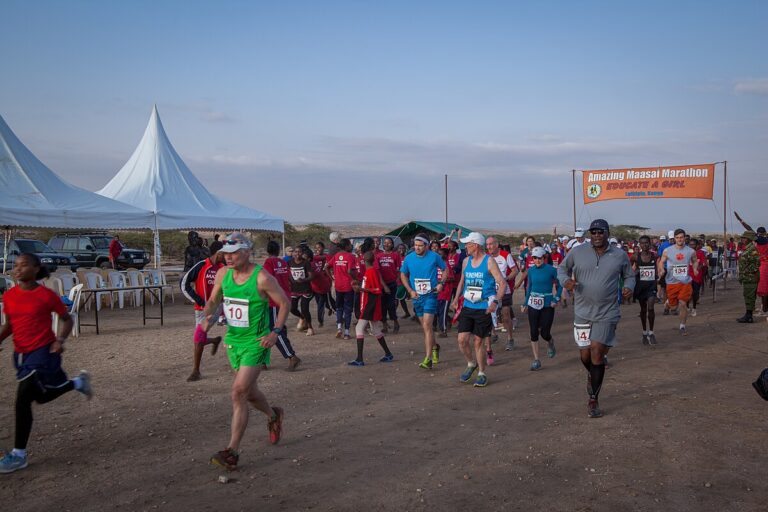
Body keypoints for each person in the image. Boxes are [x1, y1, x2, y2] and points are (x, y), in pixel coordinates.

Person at [200, 233, 287, 471]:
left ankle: (232, 452)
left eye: (233, 253)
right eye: (225, 253)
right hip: (233, 341)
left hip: (256, 343)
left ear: (247, 252)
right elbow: (213, 300)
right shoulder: (222, 274)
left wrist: (275, 332)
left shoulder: (261, 278)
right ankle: (273, 415)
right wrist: (208, 316)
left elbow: (285, 302)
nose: (228, 258)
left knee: (238, 392)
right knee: (249, 393)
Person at [0, 253, 92, 473]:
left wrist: (60, 340)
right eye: (16, 266)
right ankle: (77, 383)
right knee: (40, 397)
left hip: (44, 352)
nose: (18, 269)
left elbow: (67, 319)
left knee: (22, 398)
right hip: (21, 354)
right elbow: (10, 324)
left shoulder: (46, 295)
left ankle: (18, 454)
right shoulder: (10, 296)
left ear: (35, 269)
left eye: (24, 265)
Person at [558, 219, 635, 418]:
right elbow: (561, 268)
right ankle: (592, 374)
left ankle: (593, 399)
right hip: (582, 311)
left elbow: (629, 275)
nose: (597, 235)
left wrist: (629, 287)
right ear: (590, 234)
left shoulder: (619, 255)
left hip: (607, 312)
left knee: (597, 352)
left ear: (607, 233)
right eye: (594, 232)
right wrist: (566, 281)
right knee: (585, 356)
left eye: (601, 232)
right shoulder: (578, 251)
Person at [452, 232, 506, 387]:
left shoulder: (489, 262)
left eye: (467, 244)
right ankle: (471, 364)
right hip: (468, 305)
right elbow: (462, 282)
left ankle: (482, 373)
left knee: (478, 341)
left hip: (484, 307)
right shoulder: (466, 261)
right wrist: (456, 299)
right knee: (462, 340)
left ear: (475, 245)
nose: (465, 247)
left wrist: (495, 302)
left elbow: (502, 283)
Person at [399, 233, 447, 369]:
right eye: (415, 245)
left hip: (430, 295)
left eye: (420, 246)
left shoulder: (434, 256)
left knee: (427, 325)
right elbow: (403, 274)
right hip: (416, 297)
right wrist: (410, 290)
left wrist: (441, 283)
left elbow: (445, 270)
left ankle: (428, 359)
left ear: (427, 246)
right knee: (426, 328)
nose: (417, 248)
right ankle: (435, 347)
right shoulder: (409, 258)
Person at [181, 245, 224, 381]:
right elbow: (184, 284)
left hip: (216, 308)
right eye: (225, 253)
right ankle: (214, 340)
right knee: (199, 337)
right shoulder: (202, 265)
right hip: (201, 309)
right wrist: (199, 300)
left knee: (199, 337)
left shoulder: (223, 268)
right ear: (218, 253)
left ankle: (195, 371)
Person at [348, 251, 394, 366]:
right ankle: (388, 354)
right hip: (369, 303)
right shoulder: (369, 271)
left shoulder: (371, 271)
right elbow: (370, 287)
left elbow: (377, 290)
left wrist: (361, 289)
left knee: (359, 328)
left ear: (364, 259)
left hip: (370, 304)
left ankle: (359, 359)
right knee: (375, 330)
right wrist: (359, 285)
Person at [262, 240, 302, 370]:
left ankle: (291, 356)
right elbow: (289, 279)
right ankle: (261, 360)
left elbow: (266, 280)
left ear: (268, 251)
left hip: (274, 300)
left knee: (275, 330)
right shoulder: (283, 262)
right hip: (284, 299)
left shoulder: (269, 262)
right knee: (276, 329)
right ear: (278, 250)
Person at [523, 246, 562, 370]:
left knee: (545, 333)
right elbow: (529, 287)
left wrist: (556, 298)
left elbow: (560, 284)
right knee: (533, 331)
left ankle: (550, 342)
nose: (537, 260)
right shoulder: (531, 270)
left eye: (539, 258)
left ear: (544, 258)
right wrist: (525, 303)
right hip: (533, 302)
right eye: (534, 258)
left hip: (547, 304)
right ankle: (536, 359)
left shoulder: (551, 270)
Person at [658, 229, 699, 335]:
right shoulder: (667, 250)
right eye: (677, 237)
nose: (680, 239)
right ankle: (668, 303)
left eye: (681, 237)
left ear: (685, 238)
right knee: (674, 307)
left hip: (685, 282)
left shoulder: (690, 251)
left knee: (683, 303)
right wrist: (661, 269)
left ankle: (682, 327)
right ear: (674, 238)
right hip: (671, 282)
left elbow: (694, 260)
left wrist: (695, 269)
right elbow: (661, 262)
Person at [486, 236, 518, 353]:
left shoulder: (505, 255)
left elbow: (515, 270)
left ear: (496, 244)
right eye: (487, 244)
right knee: (488, 314)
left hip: (505, 290)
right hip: (490, 291)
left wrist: (506, 278)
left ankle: (510, 339)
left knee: (505, 315)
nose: (488, 247)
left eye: (491, 244)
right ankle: (494, 334)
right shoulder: (486, 257)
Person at [631, 235, 658, 345]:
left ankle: (651, 333)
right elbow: (629, 266)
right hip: (641, 286)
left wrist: (659, 274)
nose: (644, 245)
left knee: (650, 308)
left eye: (646, 243)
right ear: (639, 244)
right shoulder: (635, 256)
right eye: (642, 243)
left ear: (650, 243)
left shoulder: (654, 256)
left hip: (651, 286)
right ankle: (644, 332)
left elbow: (658, 267)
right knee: (643, 310)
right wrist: (634, 272)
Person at [330, 239, 358, 339]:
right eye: (350, 245)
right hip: (348, 286)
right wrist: (355, 279)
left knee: (339, 308)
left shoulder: (336, 256)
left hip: (338, 286)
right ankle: (346, 333)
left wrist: (332, 279)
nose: (351, 246)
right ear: (346, 246)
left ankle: (339, 328)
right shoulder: (350, 256)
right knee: (348, 309)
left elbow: (326, 267)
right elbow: (350, 271)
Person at [375, 237, 403, 334]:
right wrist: (383, 285)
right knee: (382, 306)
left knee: (391, 305)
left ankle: (396, 323)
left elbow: (399, 270)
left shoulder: (396, 255)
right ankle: (385, 325)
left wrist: (397, 280)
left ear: (392, 244)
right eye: (385, 243)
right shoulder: (378, 256)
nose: (386, 244)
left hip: (392, 284)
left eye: (389, 243)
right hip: (382, 284)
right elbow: (377, 272)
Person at [288, 246, 316, 336]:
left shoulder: (306, 263)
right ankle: (302, 318)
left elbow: (311, 276)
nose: (297, 254)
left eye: (299, 252)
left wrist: (303, 280)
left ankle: (310, 327)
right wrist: (291, 280)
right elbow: (288, 273)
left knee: (304, 308)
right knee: (292, 308)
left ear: (302, 253)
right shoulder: (290, 262)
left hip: (305, 289)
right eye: (295, 252)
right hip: (294, 289)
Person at [736, 230, 760, 323]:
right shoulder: (748, 248)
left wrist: (746, 272)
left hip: (751, 277)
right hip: (747, 277)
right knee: (747, 295)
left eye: (744, 238)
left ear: (749, 239)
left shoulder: (752, 249)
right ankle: (748, 314)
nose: (742, 239)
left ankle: (749, 316)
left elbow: (756, 264)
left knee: (749, 296)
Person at [311, 242, 334, 327]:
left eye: (319, 247)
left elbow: (331, 267)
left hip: (325, 283)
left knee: (323, 302)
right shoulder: (313, 258)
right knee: (321, 302)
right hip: (316, 285)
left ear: (323, 248)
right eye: (316, 248)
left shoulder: (327, 257)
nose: (317, 249)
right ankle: (330, 309)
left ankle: (321, 321)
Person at [688, 239, 708, 317]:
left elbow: (704, 263)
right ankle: (686, 306)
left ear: (697, 245)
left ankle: (694, 308)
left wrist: (698, 268)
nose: (691, 246)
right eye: (690, 244)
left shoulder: (700, 253)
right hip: (688, 276)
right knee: (688, 292)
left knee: (695, 293)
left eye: (693, 244)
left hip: (697, 276)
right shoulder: (687, 253)